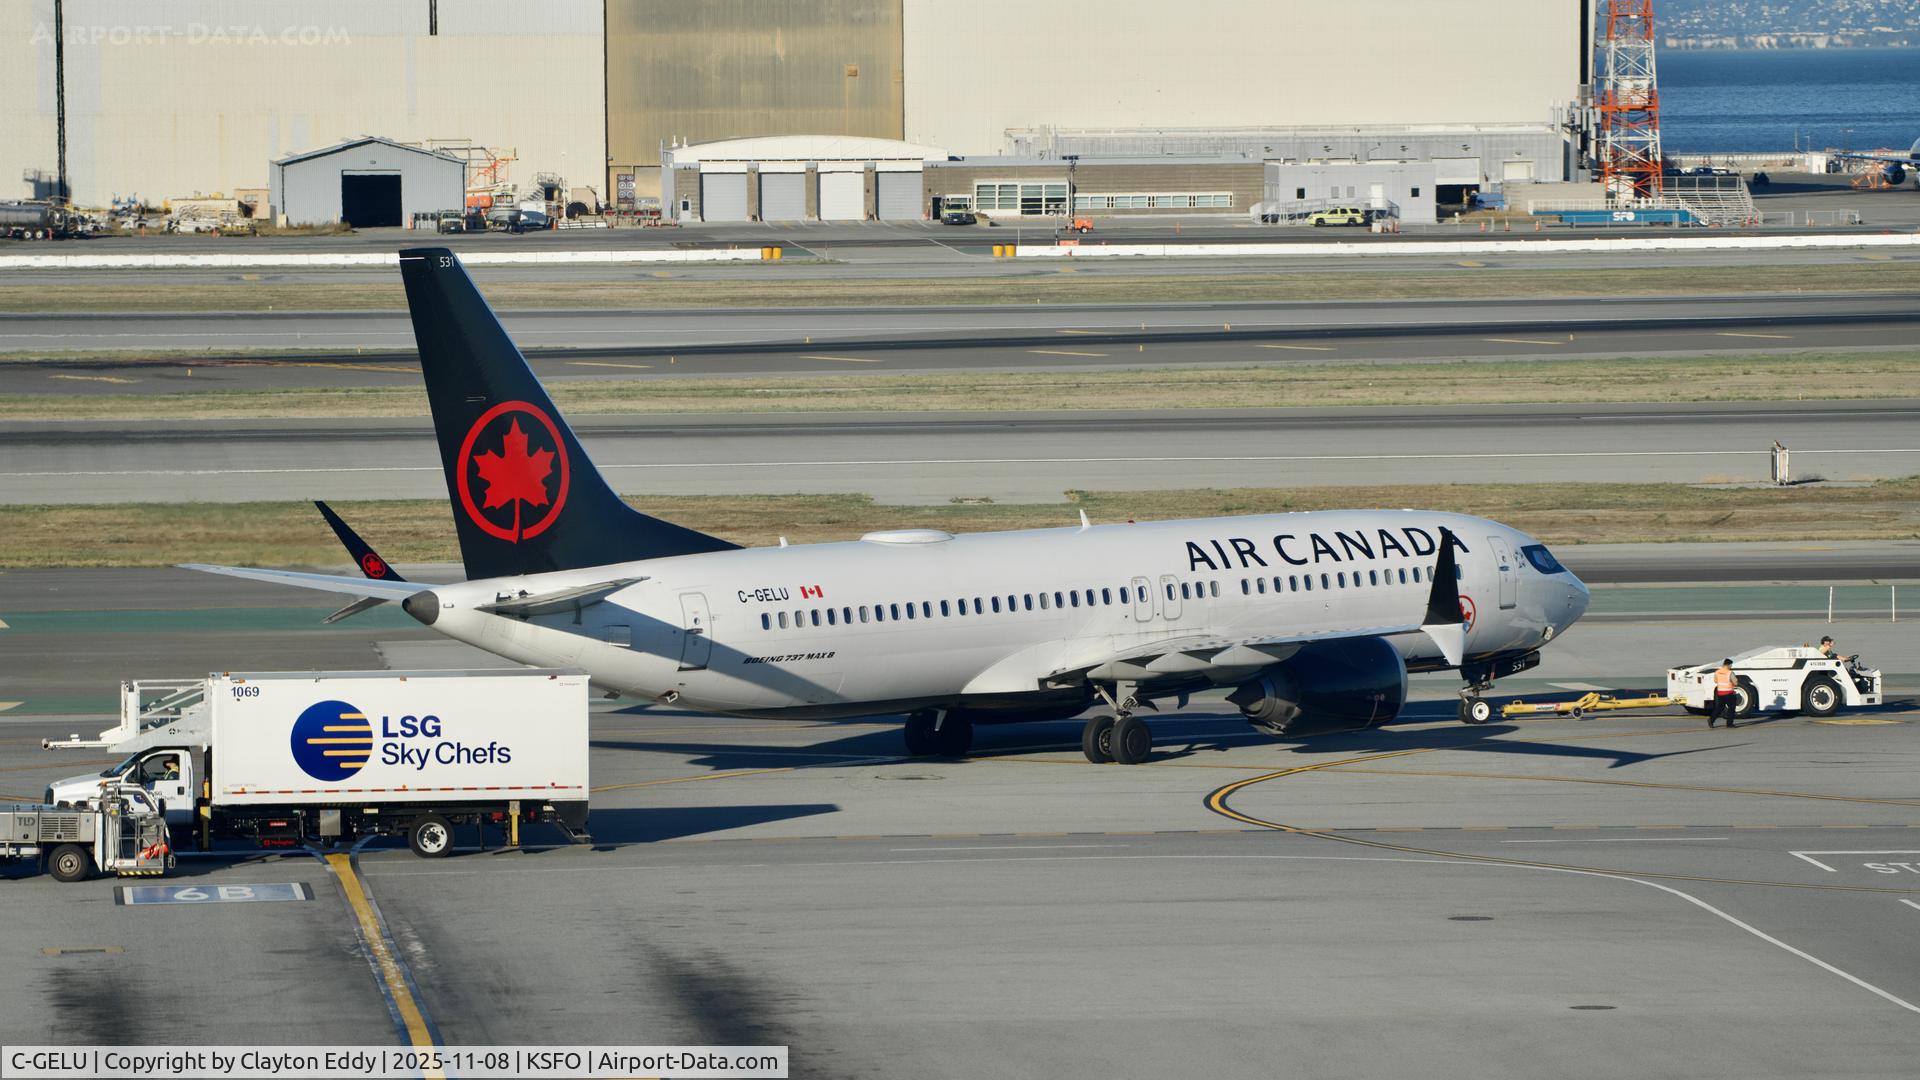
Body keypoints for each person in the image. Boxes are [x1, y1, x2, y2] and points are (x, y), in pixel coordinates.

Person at [1709, 658, 1739, 729]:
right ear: (1729, 665)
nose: (1731, 666)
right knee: (1731, 708)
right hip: (1729, 693)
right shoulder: (1730, 673)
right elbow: (1735, 683)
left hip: (1720, 693)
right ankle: (1729, 724)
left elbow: (1715, 681)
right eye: (1731, 665)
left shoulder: (1717, 672)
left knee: (1719, 708)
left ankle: (1711, 720)